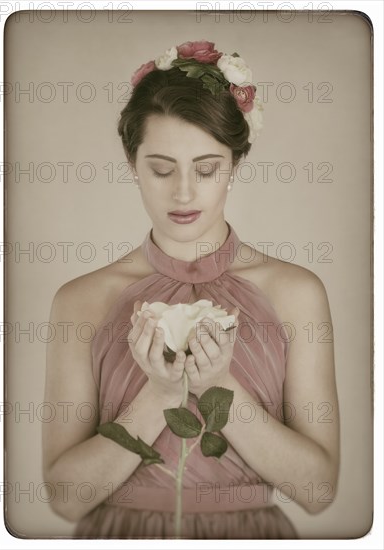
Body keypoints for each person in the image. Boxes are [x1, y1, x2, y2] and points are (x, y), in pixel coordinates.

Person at [43, 40, 340, 539]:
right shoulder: (80, 301)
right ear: (132, 165)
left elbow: (318, 490)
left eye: (206, 169)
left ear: (235, 166)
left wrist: (218, 386)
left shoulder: (297, 293)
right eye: (161, 169)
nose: (183, 193)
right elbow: (66, 500)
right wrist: (158, 394)